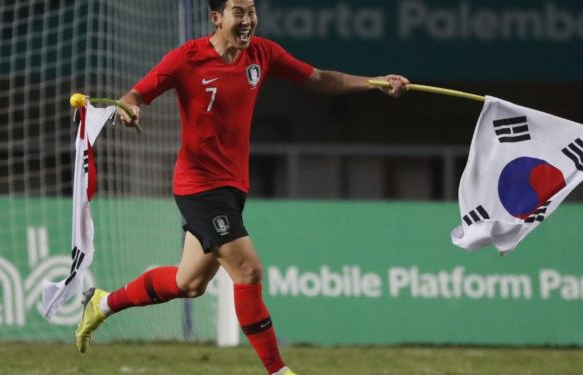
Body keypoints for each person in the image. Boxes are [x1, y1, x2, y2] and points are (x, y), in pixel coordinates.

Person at [74, 0, 409, 374]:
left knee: (189, 283)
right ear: (217, 18)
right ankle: (279, 371)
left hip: (233, 187)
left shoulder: (263, 53)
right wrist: (129, 107)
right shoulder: (187, 59)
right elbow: (134, 95)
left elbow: (317, 77)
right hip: (198, 185)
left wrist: (373, 83)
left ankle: (102, 303)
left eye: (252, 11)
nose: (248, 19)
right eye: (239, 11)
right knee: (248, 270)